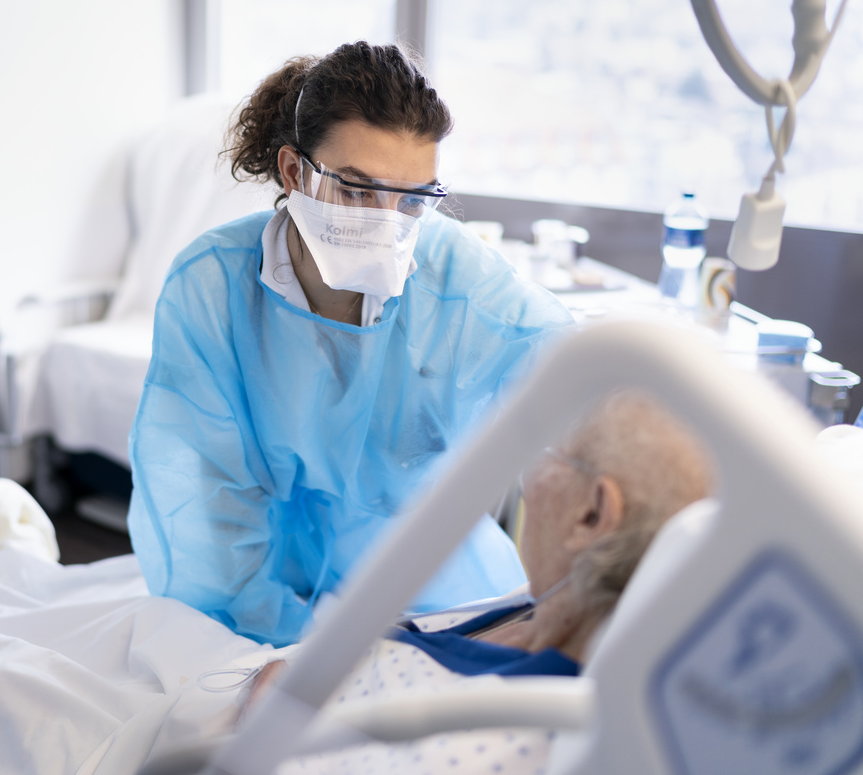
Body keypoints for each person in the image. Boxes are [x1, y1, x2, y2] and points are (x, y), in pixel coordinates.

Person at [127, 41, 573, 646]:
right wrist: (269, 641)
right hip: (258, 575)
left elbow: (572, 375)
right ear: (294, 171)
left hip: (421, 569)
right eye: (359, 191)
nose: (387, 221)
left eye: (412, 199)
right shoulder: (211, 284)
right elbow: (206, 499)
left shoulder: (458, 279)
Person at [245, 390, 715, 775]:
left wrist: (265, 719)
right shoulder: (545, 603)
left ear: (590, 515)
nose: (528, 475)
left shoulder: (490, 741)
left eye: (551, 449)